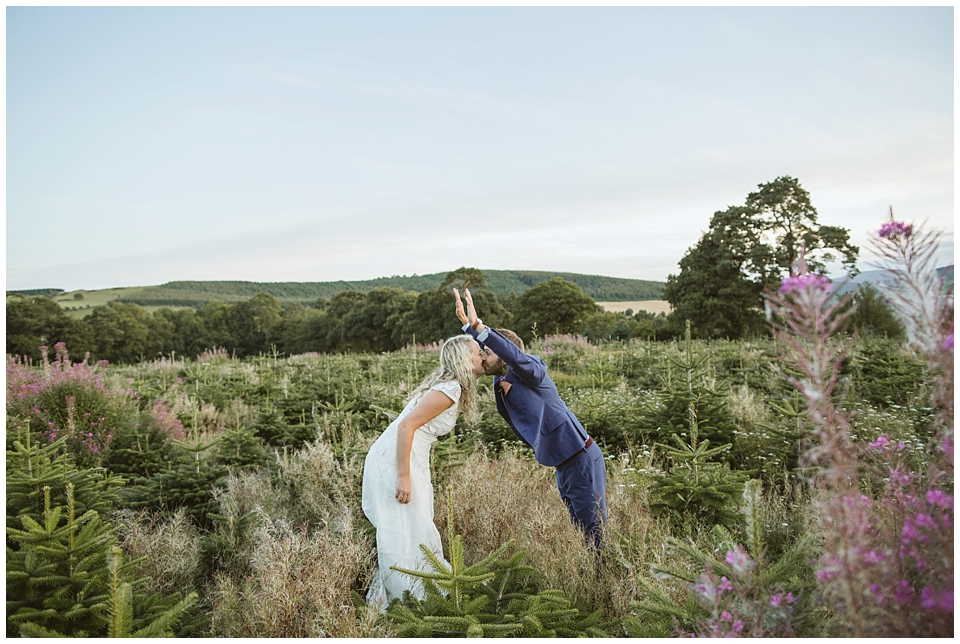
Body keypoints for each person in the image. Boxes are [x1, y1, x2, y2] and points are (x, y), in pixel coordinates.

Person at [454, 288, 607, 549]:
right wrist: (468, 329)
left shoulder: (531, 371)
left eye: (487, 352)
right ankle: (594, 577)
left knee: (594, 534)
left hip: (580, 457)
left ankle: (606, 580)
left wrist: (478, 326)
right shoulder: (500, 381)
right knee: (581, 530)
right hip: (564, 464)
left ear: (505, 353)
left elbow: (515, 356)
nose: (483, 357)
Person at [361, 334, 484, 607]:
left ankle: (410, 599)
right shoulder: (450, 390)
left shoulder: (450, 386)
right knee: (403, 531)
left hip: (408, 457)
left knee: (413, 528)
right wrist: (403, 476)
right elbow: (406, 427)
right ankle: (403, 604)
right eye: (477, 353)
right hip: (397, 461)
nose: (483, 356)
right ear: (464, 360)